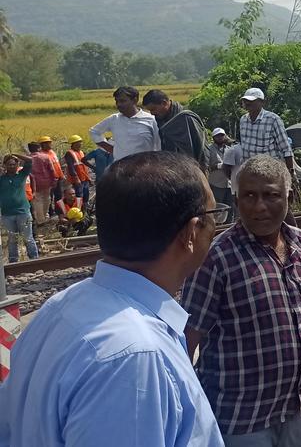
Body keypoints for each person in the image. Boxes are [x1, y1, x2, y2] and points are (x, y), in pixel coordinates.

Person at [0, 151, 223, 447]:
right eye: (213, 214)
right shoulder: (134, 357)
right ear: (191, 232)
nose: (217, 225)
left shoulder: (64, 304)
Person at [181, 155, 301, 446]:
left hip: (291, 409)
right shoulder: (216, 258)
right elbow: (187, 339)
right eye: (249, 196)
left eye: (271, 195)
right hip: (239, 419)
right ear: (236, 200)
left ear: (289, 197)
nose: (259, 207)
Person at [90, 85, 161, 161]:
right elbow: (94, 132)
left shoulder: (151, 119)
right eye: (117, 101)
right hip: (121, 168)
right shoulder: (114, 119)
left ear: (135, 100)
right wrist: (111, 148)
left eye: (123, 101)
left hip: (145, 167)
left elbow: (159, 145)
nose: (119, 104)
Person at [237, 87, 295, 175]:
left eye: (251, 101)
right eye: (245, 100)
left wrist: (291, 173)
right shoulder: (243, 120)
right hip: (249, 171)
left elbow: (286, 149)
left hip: (269, 172)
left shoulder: (273, 119)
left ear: (262, 102)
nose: (247, 103)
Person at [143, 89, 207, 166]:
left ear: (164, 103)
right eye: (150, 111)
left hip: (192, 167)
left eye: (153, 109)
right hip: (171, 167)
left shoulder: (186, 118)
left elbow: (200, 145)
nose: (152, 113)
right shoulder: (160, 119)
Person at [0, 153, 39, 263]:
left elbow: (30, 160)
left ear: (17, 165)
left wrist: (15, 154)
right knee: (12, 239)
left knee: (28, 238)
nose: (11, 166)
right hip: (7, 214)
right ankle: (13, 262)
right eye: (9, 164)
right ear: (5, 165)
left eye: (13, 164)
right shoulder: (1, 179)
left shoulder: (22, 175)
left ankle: (34, 260)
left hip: (23, 212)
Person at [29, 135, 63, 227]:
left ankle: (42, 219)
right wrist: (54, 179)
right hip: (47, 182)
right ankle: (44, 217)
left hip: (36, 183)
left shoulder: (28, 158)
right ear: (40, 146)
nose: (50, 144)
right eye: (47, 143)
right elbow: (52, 170)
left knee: (40, 200)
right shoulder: (45, 156)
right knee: (46, 199)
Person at [206, 128, 234, 214]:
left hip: (229, 184)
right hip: (216, 184)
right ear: (214, 137)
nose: (220, 137)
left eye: (222, 135)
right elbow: (205, 166)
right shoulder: (209, 149)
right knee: (217, 209)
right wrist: (219, 166)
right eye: (218, 136)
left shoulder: (230, 150)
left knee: (230, 209)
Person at [63, 134, 93, 207]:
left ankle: (84, 211)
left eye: (80, 142)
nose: (80, 144)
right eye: (78, 143)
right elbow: (71, 167)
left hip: (84, 178)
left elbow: (84, 167)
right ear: (73, 144)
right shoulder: (69, 153)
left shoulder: (81, 152)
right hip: (77, 179)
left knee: (86, 195)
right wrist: (76, 178)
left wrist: (89, 178)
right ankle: (77, 211)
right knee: (79, 195)